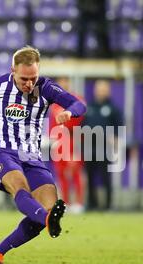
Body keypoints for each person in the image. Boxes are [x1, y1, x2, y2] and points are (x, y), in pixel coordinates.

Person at [0, 46, 86, 264]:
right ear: (12, 70)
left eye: (33, 78)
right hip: (2, 150)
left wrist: (69, 113)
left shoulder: (45, 87)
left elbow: (79, 104)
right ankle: (47, 219)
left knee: (47, 208)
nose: (29, 84)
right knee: (21, 189)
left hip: (31, 155)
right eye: (24, 79)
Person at [82, 79, 123, 211]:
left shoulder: (113, 108)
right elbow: (83, 125)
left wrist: (115, 139)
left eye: (103, 89)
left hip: (105, 148)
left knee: (106, 177)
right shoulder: (89, 107)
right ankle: (92, 203)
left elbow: (119, 126)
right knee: (90, 177)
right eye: (99, 89)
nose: (101, 92)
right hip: (89, 146)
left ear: (108, 91)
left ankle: (108, 205)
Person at [48, 77, 85, 213]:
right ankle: (66, 203)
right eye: (61, 83)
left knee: (75, 171)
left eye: (65, 82)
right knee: (61, 173)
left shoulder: (77, 100)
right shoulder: (55, 102)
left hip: (72, 139)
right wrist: (53, 139)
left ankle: (79, 203)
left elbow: (78, 120)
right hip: (59, 142)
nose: (63, 85)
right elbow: (53, 123)